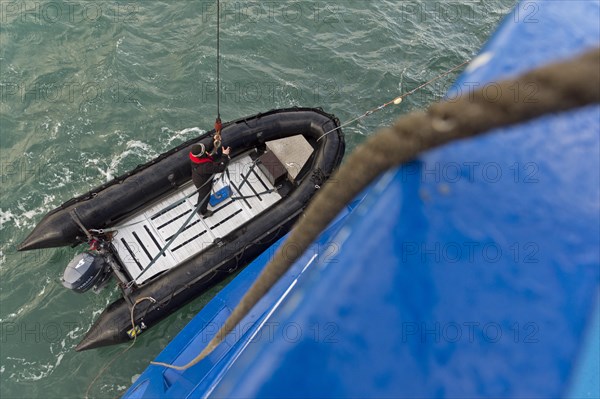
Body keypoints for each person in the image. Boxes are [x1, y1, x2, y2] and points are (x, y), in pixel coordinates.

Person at [189, 142, 231, 218]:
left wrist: (214, 139)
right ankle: (202, 211)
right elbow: (220, 168)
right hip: (202, 183)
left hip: (198, 175)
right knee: (204, 196)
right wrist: (225, 155)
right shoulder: (205, 167)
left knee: (204, 194)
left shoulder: (194, 156)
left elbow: (207, 147)